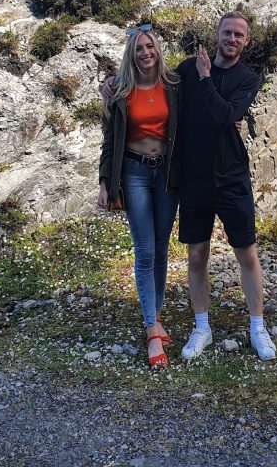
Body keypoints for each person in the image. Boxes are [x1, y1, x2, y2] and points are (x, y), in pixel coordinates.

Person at [176, 11, 277, 361]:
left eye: (238, 35)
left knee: (246, 254)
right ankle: (201, 327)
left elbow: (223, 115)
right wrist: (115, 83)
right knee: (197, 255)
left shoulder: (249, 78)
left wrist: (206, 81)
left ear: (246, 41)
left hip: (231, 179)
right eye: (227, 33)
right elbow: (155, 87)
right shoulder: (188, 68)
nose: (232, 40)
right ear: (216, 34)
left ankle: (257, 327)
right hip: (194, 179)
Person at [97, 25, 179, 368]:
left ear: (157, 50)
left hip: (167, 174)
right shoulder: (119, 91)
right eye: (139, 48)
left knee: (161, 248)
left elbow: (200, 109)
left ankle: (156, 315)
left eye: (150, 46)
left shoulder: (174, 86)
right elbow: (109, 141)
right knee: (144, 249)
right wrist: (105, 182)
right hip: (133, 173)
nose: (146, 52)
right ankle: (151, 329)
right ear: (131, 54)